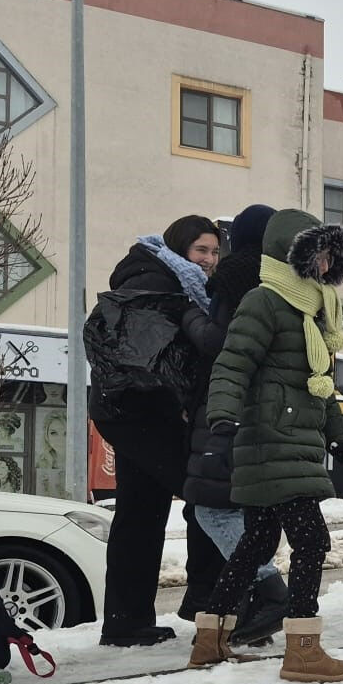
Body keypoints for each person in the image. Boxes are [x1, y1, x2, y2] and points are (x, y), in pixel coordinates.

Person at [181, 205, 343, 647]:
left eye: (330, 257)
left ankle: (210, 638)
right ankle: (303, 649)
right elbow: (231, 363)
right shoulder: (264, 302)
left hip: (293, 443)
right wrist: (223, 420)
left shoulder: (314, 316)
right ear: (293, 254)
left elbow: (320, 388)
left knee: (255, 544)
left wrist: (342, 447)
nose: (324, 265)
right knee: (312, 543)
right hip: (272, 441)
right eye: (318, 254)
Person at [92, 215, 226, 647]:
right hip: (146, 413)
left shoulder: (153, 277)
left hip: (125, 413)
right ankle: (209, 600)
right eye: (201, 250)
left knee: (139, 512)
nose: (208, 260)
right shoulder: (158, 283)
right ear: (179, 248)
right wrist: (183, 406)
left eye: (214, 251)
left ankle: (125, 621)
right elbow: (155, 359)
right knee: (206, 493)